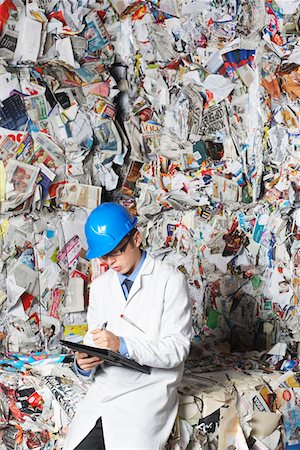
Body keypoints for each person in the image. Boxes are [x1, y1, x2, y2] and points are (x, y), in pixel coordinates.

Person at [63, 202, 192, 450]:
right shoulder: (101, 287)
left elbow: (177, 349)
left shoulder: (170, 281)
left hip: (145, 394)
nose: (110, 261)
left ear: (137, 238)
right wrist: (84, 363)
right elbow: (94, 339)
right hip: (105, 390)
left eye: (117, 251)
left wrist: (121, 344)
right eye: (104, 255)